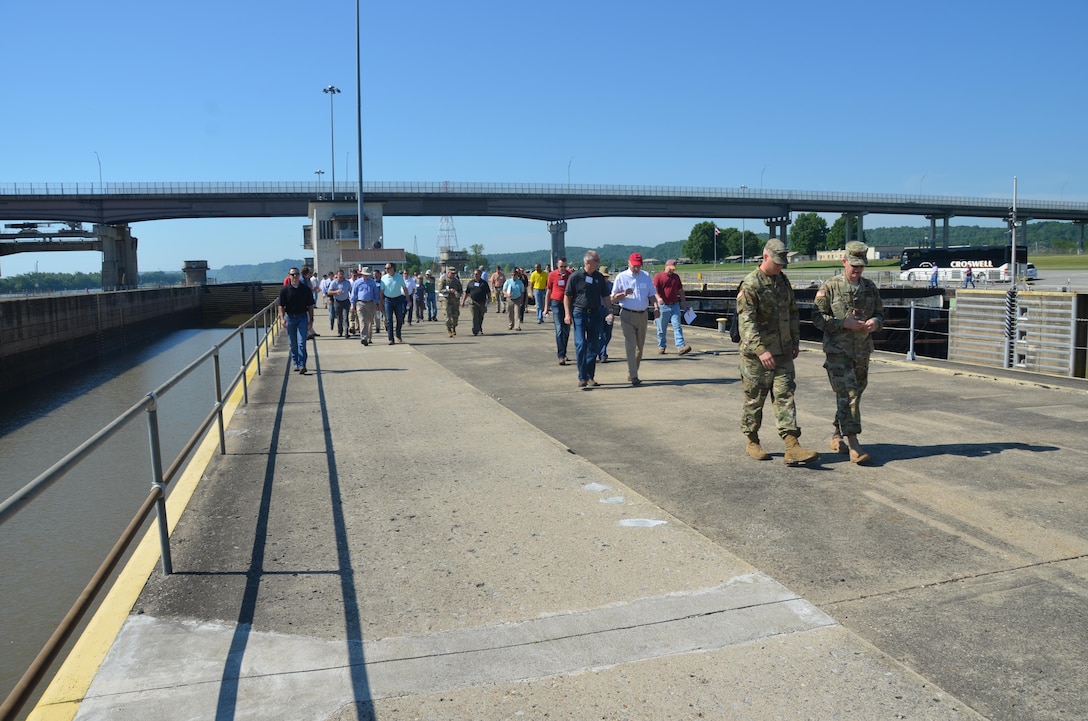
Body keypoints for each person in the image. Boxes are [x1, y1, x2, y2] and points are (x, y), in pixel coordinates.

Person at [736, 239, 819, 465]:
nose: (780, 267)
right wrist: (761, 350)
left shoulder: (782, 281)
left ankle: (792, 445)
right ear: (765, 257)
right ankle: (752, 440)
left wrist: (794, 341)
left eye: (783, 263)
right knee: (755, 400)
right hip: (757, 356)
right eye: (777, 262)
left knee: (786, 396)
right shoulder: (751, 284)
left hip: (782, 352)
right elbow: (747, 323)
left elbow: (792, 312)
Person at [813, 241, 884, 464]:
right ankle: (854, 443)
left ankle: (836, 434)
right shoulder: (830, 286)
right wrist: (843, 323)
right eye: (853, 265)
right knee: (849, 394)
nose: (857, 270)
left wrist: (875, 322)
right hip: (838, 352)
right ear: (844, 261)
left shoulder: (870, 288)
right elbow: (817, 318)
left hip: (862, 351)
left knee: (853, 396)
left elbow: (881, 315)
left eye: (861, 266)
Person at [610, 253, 659, 386]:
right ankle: (634, 375)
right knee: (630, 345)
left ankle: (632, 371)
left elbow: (652, 294)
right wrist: (623, 294)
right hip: (627, 314)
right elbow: (612, 298)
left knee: (639, 348)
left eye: (638, 266)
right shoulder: (621, 277)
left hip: (642, 315)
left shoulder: (646, 276)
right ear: (629, 263)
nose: (636, 268)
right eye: (634, 266)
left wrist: (656, 307)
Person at [564, 250, 611, 388]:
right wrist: (567, 314)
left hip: (595, 314)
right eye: (597, 261)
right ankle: (582, 376)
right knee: (581, 344)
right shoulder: (575, 276)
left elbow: (606, 296)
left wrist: (610, 311)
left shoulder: (599, 277)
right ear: (588, 262)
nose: (599, 263)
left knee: (593, 346)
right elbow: (567, 296)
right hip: (579, 313)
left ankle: (590, 376)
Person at [278, 267, 314, 375]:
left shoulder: (305, 289)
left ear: (299, 275)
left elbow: (310, 306)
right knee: (293, 344)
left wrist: (311, 319)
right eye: (292, 274)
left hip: (302, 317)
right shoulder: (284, 290)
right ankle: (296, 362)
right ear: (289, 276)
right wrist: (282, 319)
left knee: (301, 342)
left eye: (296, 274)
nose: (295, 276)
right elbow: (281, 306)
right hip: (290, 318)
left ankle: (302, 364)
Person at [653, 258, 692, 355]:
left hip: (675, 305)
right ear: (666, 266)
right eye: (670, 268)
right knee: (661, 328)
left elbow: (681, 291)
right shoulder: (658, 277)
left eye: (673, 269)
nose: (672, 270)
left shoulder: (676, 277)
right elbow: (654, 291)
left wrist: (684, 304)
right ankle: (661, 346)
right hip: (663, 306)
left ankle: (681, 346)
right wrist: (658, 299)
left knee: (677, 326)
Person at [547, 257, 573, 365]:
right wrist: (546, 307)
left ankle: (564, 351)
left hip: (568, 304)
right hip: (556, 303)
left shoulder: (570, 275)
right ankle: (561, 355)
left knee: (566, 329)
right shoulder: (552, 275)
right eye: (561, 266)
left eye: (565, 266)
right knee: (559, 329)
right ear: (557, 265)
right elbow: (549, 290)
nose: (563, 268)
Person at [350, 266, 380, 346]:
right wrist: (352, 304)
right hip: (360, 303)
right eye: (364, 274)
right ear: (362, 274)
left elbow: (376, 294)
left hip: (370, 303)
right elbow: (354, 294)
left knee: (369, 321)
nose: (366, 276)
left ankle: (369, 337)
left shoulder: (372, 282)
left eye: (367, 275)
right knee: (362, 320)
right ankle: (364, 338)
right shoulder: (357, 282)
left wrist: (377, 303)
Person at [380, 263, 408, 344]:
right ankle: (390, 338)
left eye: (388, 268)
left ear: (393, 268)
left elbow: (404, 288)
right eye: (385, 268)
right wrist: (381, 302)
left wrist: (408, 300)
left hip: (398, 299)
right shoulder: (384, 278)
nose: (386, 269)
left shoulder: (399, 277)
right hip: (388, 300)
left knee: (399, 319)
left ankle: (398, 335)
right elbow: (381, 291)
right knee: (389, 320)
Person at [462, 267, 491, 336]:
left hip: (482, 302)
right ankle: (475, 330)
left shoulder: (484, 283)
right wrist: (463, 301)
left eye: (477, 274)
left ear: (480, 275)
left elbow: (488, 292)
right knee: (475, 316)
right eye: (474, 274)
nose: (475, 275)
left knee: (480, 316)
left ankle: (479, 328)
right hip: (472, 302)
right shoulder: (471, 283)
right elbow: (467, 292)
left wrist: (489, 298)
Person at [327, 269, 352, 337]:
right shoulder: (334, 282)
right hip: (337, 302)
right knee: (339, 318)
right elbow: (329, 292)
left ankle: (346, 332)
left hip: (346, 301)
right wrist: (336, 292)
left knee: (345, 317)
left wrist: (352, 300)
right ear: (337, 275)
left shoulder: (347, 282)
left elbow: (351, 291)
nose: (341, 276)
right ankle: (340, 332)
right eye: (339, 274)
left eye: (342, 274)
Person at [597, 266, 614, 363]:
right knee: (600, 334)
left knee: (608, 334)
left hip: (608, 310)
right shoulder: (596, 285)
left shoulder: (611, 285)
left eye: (606, 277)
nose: (605, 278)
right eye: (603, 276)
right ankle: (603, 354)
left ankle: (600, 350)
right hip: (598, 310)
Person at [438, 267, 463, 336]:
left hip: (455, 301)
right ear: (448, 273)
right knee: (447, 316)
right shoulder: (443, 281)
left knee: (455, 316)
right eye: (451, 273)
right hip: (446, 301)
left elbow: (460, 290)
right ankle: (449, 330)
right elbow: (440, 290)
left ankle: (454, 327)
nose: (453, 275)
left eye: (454, 273)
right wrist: (448, 291)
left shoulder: (456, 281)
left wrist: (459, 294)